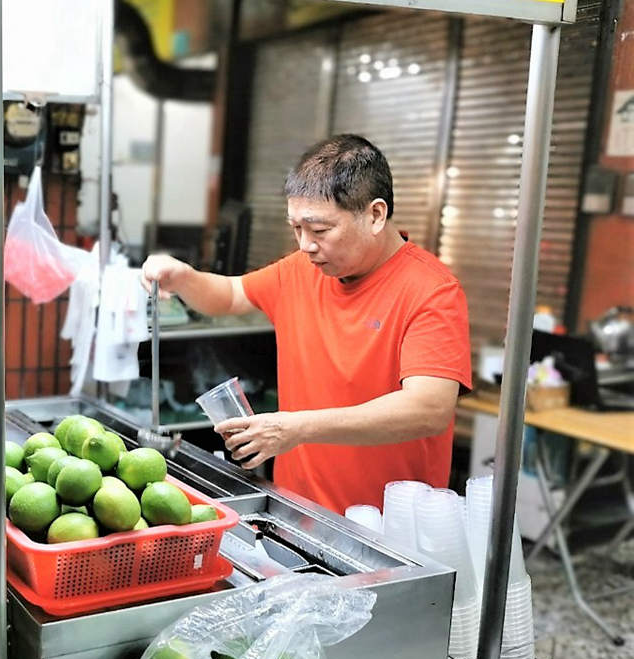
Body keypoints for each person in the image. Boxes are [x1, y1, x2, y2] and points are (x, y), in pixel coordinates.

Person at [142, 134, 471, 514]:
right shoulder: (303, 269)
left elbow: (428, 409)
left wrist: (295, 428)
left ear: (375, 215)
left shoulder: (431, 290)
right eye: (296, 228)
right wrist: (183, 277)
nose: (305, 245)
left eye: (319, 230)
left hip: (387, 528)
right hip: (296, 511)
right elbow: (232, 295)